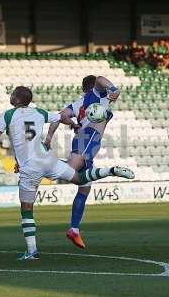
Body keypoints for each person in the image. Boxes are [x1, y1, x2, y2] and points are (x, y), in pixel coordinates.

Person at [0, 86, 134, 260]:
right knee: (80, 178)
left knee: (26, 209)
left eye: (13, 95)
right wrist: (74, 124)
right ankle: (110, 170)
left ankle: (31, 250)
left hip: (30, 167)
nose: (11, 97)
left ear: (17, 99)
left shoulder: (8, 115)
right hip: (48, 160)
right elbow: (61, 117)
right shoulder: (39, 112)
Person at [44, 75, 122, 250]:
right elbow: (101, 78)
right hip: (89, 138)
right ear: (93, 88)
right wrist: (113, 89)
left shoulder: (78, 103)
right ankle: (39, 165)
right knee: (71, 170)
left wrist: (54, 134)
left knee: (85, 186)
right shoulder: (96, 95)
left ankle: (74, 229)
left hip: (84, 138)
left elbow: (59, 116)